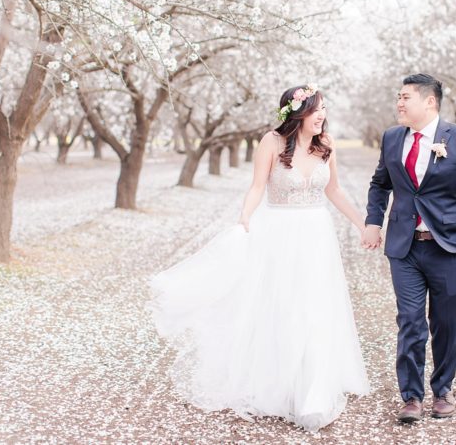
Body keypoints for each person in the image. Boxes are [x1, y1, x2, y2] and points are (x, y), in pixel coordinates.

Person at [149, 85, 369, 432]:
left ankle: (311, 391)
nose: (322, 116)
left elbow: (334, 190)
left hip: (316, 236)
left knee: (314, 308)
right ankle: (275, 384)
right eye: (315, 110)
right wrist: (245, 217)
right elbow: (256, 187)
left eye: (324, 109)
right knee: (281, 306)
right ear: (296, 113)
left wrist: (361, 224)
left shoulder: (326, 145)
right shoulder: (271, 142)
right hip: (279, 234)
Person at [361, 73, 456, 423]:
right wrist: (373, 221)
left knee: (445, 323)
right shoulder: (392, 138)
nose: (399, 103)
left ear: (430, 102)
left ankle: (442, 391)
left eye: (406, 97)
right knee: (409, 322)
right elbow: (380, 184)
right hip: (404, 248)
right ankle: (411, 397)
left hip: (449, 248)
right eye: (398, 97)